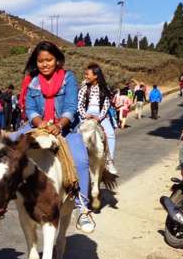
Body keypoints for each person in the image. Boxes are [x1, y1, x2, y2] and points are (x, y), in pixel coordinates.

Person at [14, 41, 95, 233]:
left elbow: (70, 106)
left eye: (49, 60)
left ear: (57, 59)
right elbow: (30, 107)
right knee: (9, 148)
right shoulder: (32, 82)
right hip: (39, 125)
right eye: (40, 61)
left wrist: (59, 125)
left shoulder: (69, 78)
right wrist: (39, 122)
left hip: (65, 127)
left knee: (81, 161)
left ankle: (82, 207)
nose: (45, 64)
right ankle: (0, 195)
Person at [77, 62, 118, 175]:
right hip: (86, 115)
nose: (86, 76)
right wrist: (85, 115)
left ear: (95, 75)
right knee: (77, 133)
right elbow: (79, 104)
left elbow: (106, 105)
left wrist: (99, 118)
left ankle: (109, 161)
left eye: (87, 74)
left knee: (110, 134)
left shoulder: (104, 89)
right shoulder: (84, 88)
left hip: (100, 116)